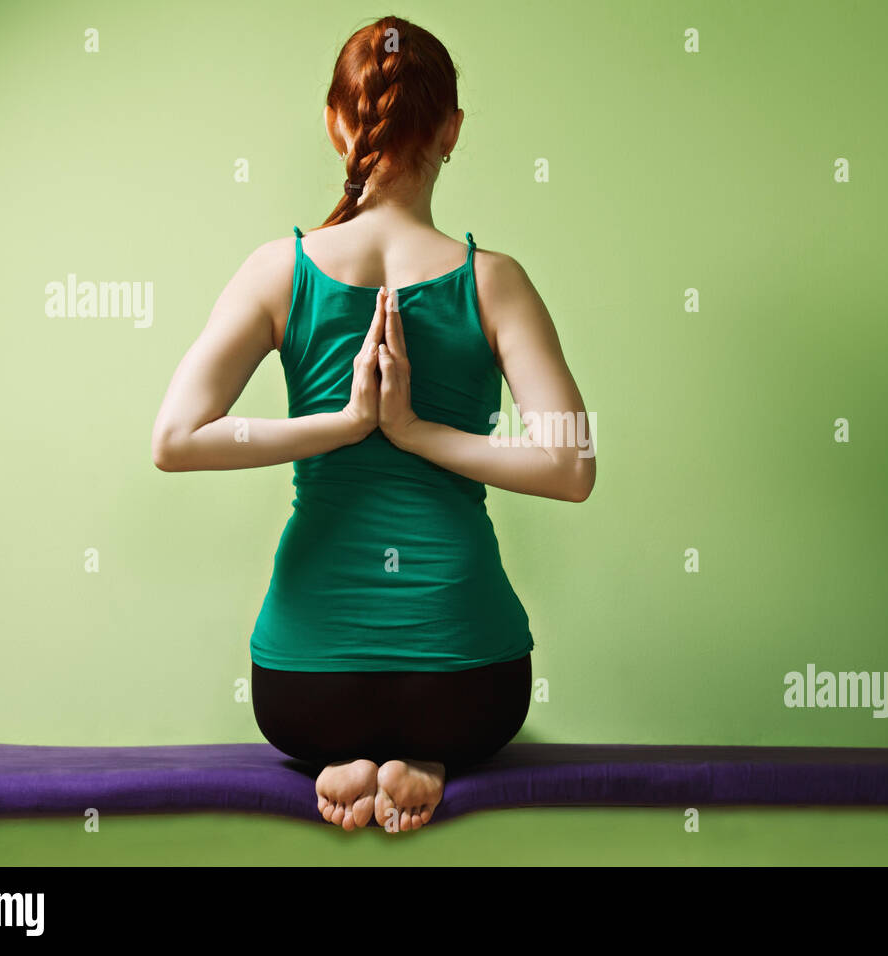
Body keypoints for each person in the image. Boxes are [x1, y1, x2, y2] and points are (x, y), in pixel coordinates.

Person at [151, 15, 595, 832]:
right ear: (452, 131)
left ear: (335, 123)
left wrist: (343, 423)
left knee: (325, 714)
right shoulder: (495, 282)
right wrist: (415, 429)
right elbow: (573, 469)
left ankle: (348, 758)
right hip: (469, 690)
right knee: (450, 717)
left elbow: (174, 440)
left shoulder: (277, 270)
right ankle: (423, 758)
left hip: (301, 695)